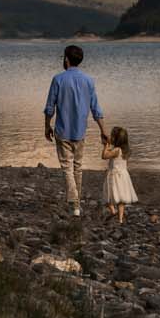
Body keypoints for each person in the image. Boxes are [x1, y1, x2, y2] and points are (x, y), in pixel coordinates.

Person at [43, 43, 108, 217]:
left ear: (66, 59)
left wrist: (46, 126)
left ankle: (74, 202)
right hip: (80, 131)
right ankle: (76, 207)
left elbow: (50, 107)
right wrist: (103, 129)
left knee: (67, 167)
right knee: (77, 167)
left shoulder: (58, 79)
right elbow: (96, 108)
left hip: (62, 130)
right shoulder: (88, 80)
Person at [100, 126, 137, 223]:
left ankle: (113, 211)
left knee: (108, 195)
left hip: (114, 175)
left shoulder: (116, 150)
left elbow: (104, 156)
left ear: (116, 139)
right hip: (123, 175)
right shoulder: (126, 150)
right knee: (121, 199)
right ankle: (120, 219)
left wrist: (106, 146)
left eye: (112, 136)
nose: (110, 138)